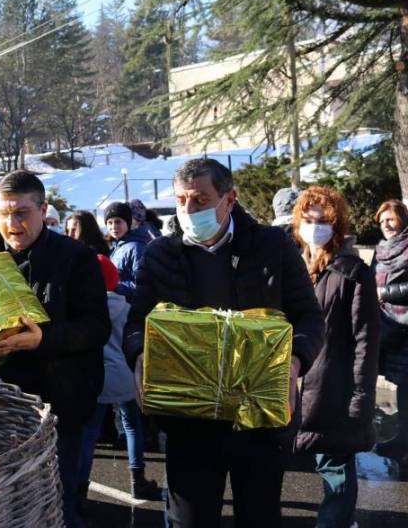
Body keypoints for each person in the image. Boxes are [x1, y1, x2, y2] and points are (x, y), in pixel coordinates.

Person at [123, 158, 324, 528]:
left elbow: (309, 317)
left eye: (200, 200)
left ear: (229, 199)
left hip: (259, 419)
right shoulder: (160, 255)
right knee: (190, 520)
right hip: (189, 422)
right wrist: (138, 358)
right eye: (181, 200)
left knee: (259, 517)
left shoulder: (271, 247)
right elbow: (137, 323)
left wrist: (295, 361)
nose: (187, 210)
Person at [0, 171, 111, 528]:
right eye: (3, 214)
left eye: (21, 212)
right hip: (1, 404)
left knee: (55, 499)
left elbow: (96, 328)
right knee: (7, 501)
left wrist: (44, 340)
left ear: (43, 209)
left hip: (60, 404)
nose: (11, 223)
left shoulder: (77, 258)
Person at [293, 186, 379, 528]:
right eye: (309, 219)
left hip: (334, 392)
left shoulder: (352, 272)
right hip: (294, 389)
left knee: (336, 472)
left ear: (337, 225)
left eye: (324, 220)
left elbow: (365, 342)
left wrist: (360, 399)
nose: (315, 226)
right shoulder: (293, 268)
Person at [68, 211, 158, 504]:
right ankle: (137, 478)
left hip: (93, 378)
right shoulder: (125, 307)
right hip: (125, 376)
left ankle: (78, 490)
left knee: (88, 435)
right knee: (132, 425)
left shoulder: (83, 309)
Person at [372, 199, 408, 463]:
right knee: (401, 384)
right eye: (382, 221)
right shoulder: (381, 249)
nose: (386, 225)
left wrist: (384, 292)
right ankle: (402, 438)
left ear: (402, 220)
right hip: (389, 327)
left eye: (391, 219)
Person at [104, 201, 150, 303]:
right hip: (119, 303)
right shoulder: (116, 246)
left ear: (128, 223)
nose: (114, 226)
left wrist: (114, 286)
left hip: (130, 307)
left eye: (118, 221)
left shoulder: (135, 247)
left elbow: (142, 284)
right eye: (110, 222)